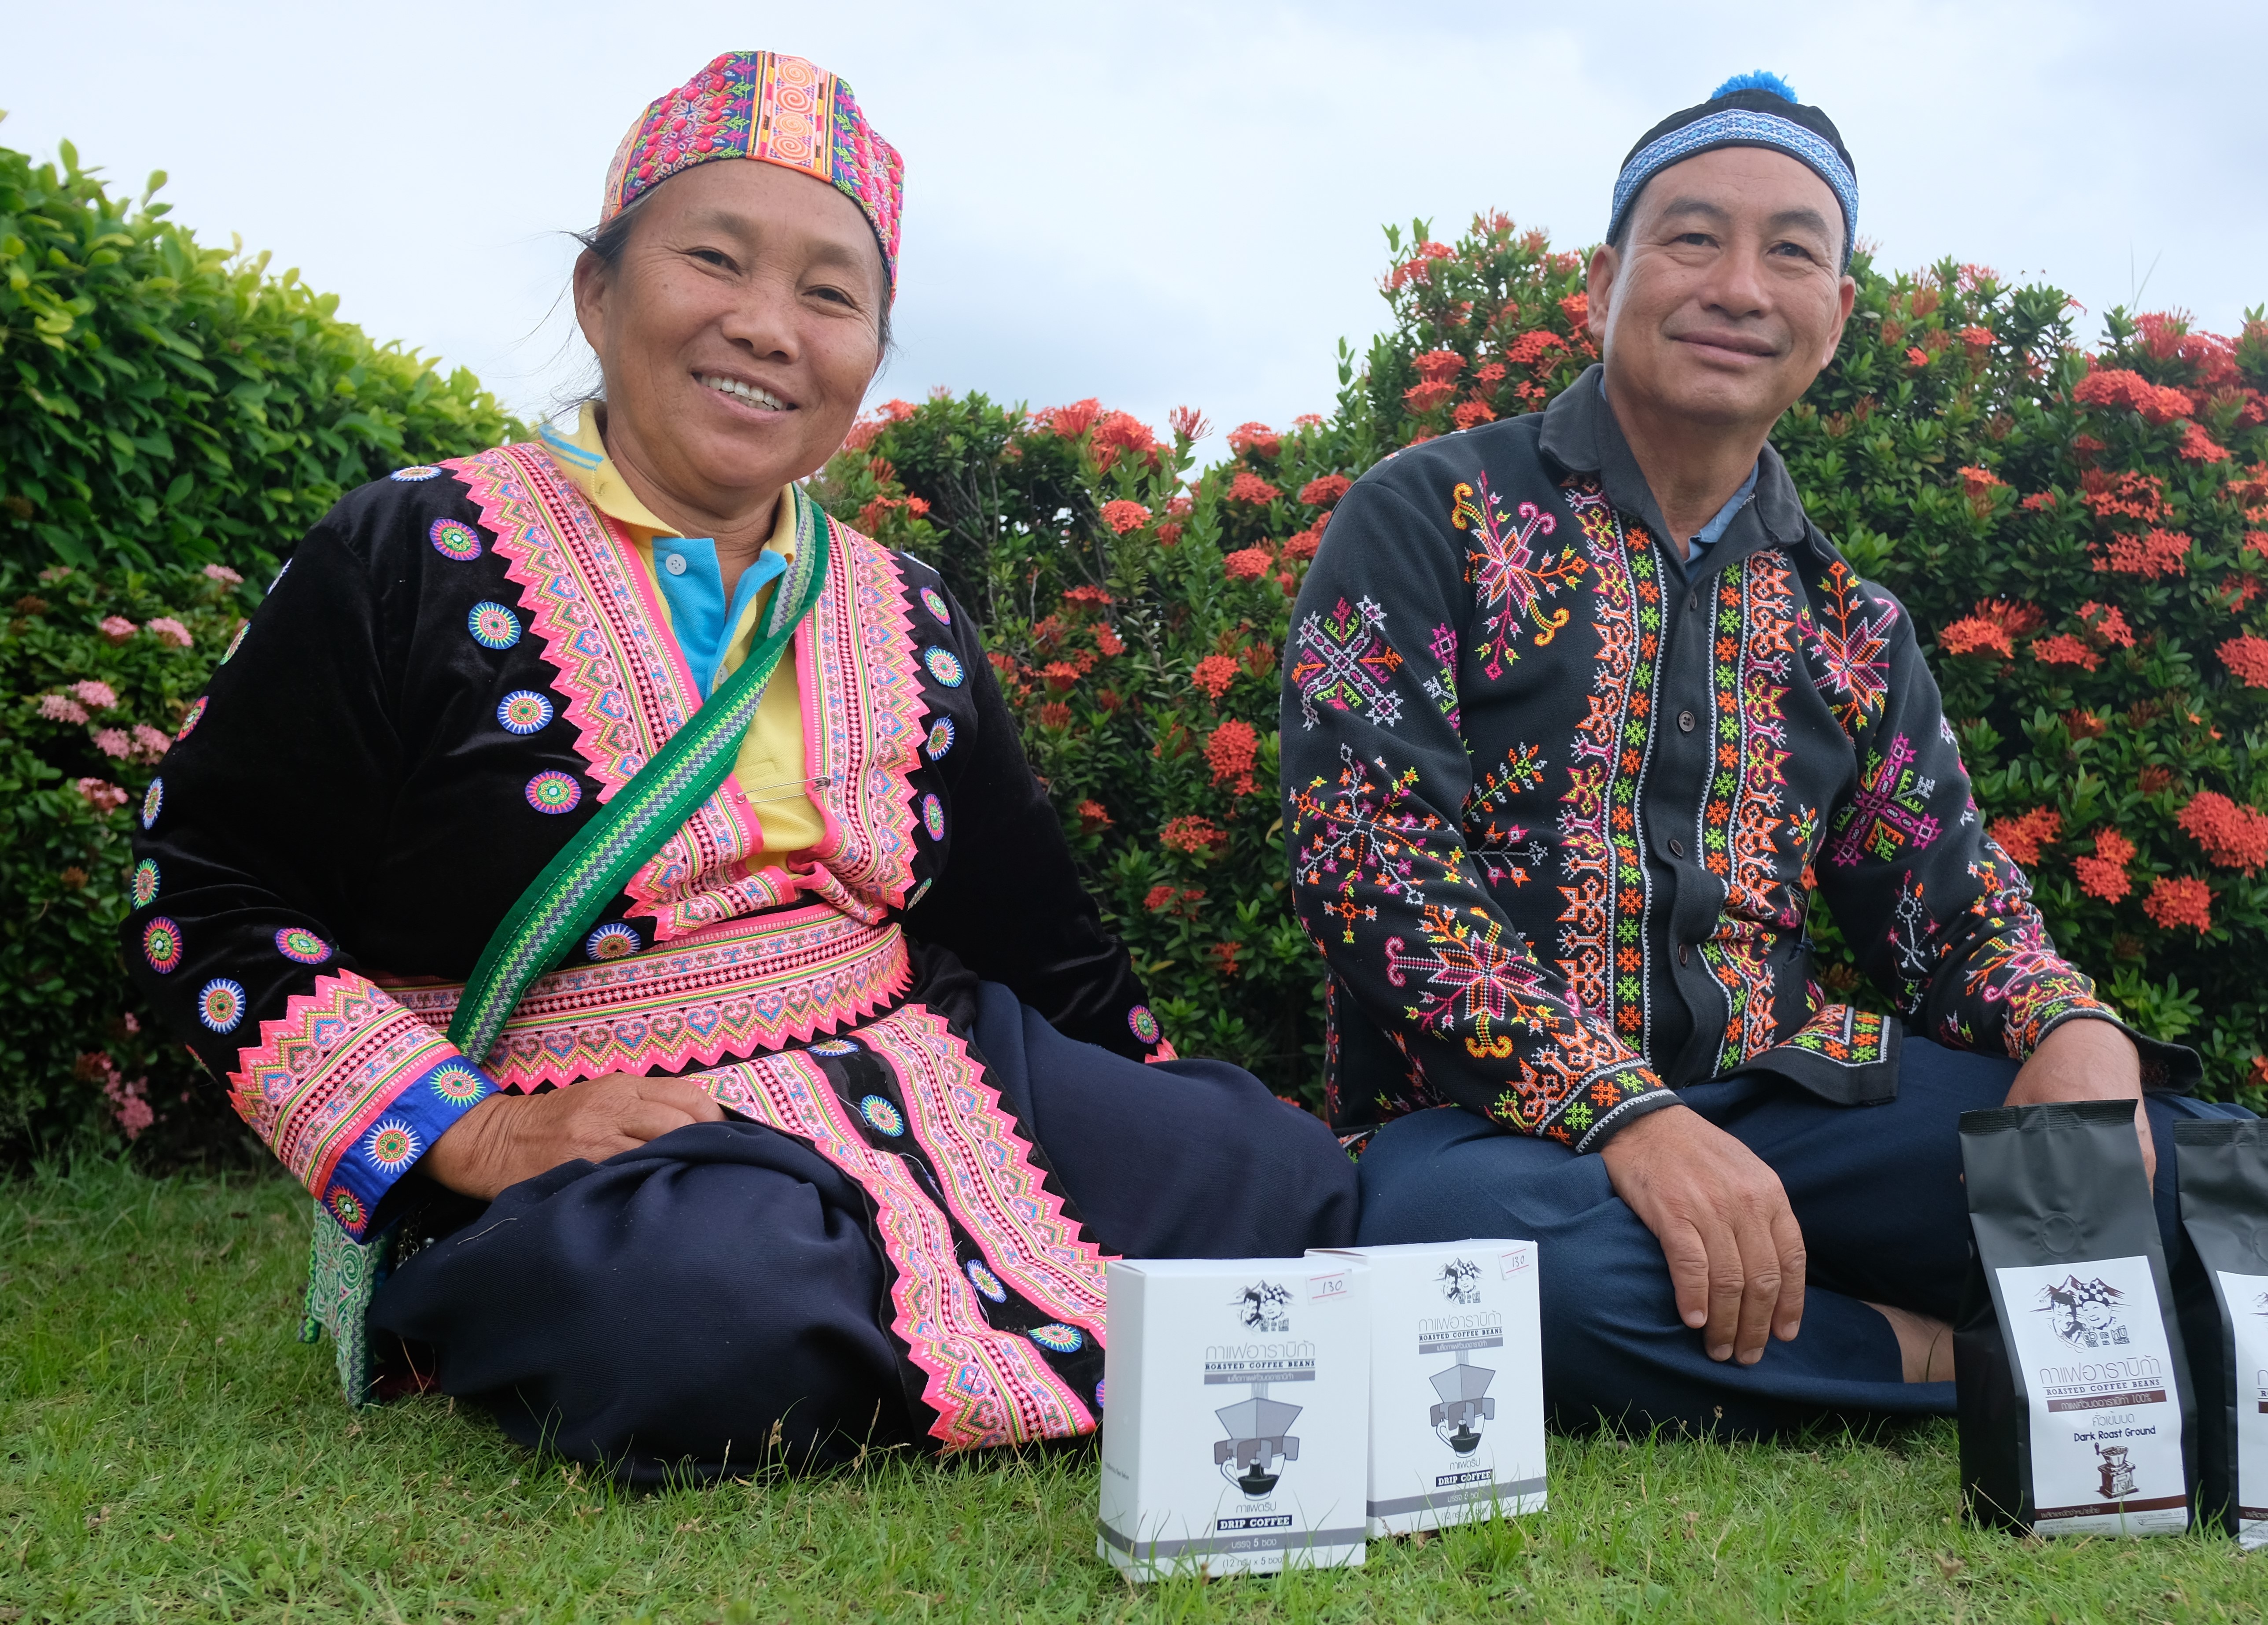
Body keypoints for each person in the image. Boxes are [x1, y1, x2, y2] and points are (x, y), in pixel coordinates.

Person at [124, 50, 1353, 1481]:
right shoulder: (407, 553)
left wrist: (1155, 1114)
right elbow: (201, 891)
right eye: (714, 259)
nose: (768, 326)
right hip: (604, 1111)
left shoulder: (907, 608)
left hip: (916, 1047)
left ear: (868, 358)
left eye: (831, 293)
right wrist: (470, 1135)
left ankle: (904, 1311)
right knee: (697, 1311)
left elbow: (1029, 926)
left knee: (1276, 1173)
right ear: (599, 295)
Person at [1283, 72, 2243, 1435]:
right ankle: (1929, 1355)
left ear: (1836, 315)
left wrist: (2067, 1025)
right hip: (1492, 1135)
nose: (1739, 284)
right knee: (1482, 1271)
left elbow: (1949, 908)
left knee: (2202, 1167)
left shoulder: (1847, 619)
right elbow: (1371, 871)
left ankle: (1795, 1296)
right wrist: (1626, 1117)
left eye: (1792, 248)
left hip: (1791, 1105)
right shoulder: (1428, 513)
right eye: (1690, 237)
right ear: (1605, 277)